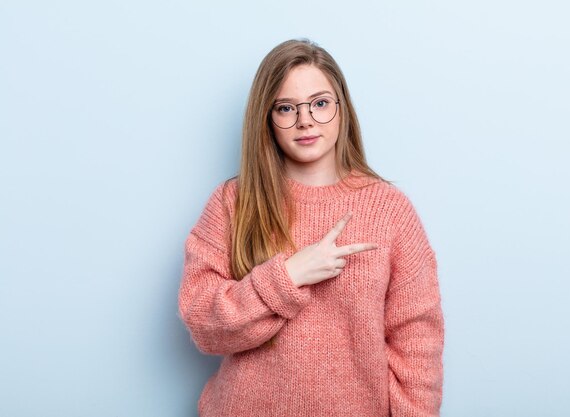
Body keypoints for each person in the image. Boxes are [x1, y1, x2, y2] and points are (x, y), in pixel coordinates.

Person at [178, 39, 444, 417]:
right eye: (286, 108)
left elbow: (417, 342)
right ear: (267, 118)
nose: (305, 120)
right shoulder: (233, 202)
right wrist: (288, 275)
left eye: (320, 103)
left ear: (342, 108)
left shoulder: (390, 210)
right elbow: (205, 325)